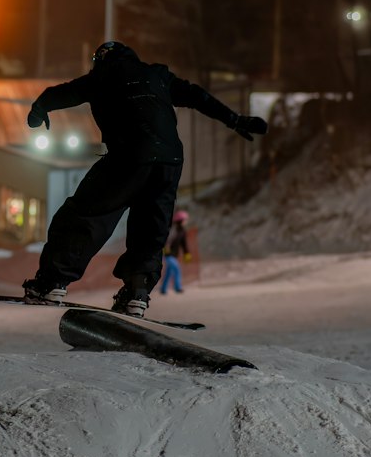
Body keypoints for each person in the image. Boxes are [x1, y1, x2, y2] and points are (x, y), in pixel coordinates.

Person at [22, 42, 267, 317]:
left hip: (129, 155)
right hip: (170, 161)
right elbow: (198, 96)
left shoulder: (104, 75)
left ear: (101, 60)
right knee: (150, 229)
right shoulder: (158, 76)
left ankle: (51, 283)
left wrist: (40, 107)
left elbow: (65, 93)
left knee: (85, 216)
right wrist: (235, 120)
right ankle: (136, 293)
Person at [160, 209, 190, 295]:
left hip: (174, 254)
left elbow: (184, 244)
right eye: (185, 220)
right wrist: (166, 249)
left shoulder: (183, 231)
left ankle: (163, 289)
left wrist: (186, 253)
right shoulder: (173, 229)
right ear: (180, 220)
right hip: (168, 254)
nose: (186, 221)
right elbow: (167, 240)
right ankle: (178, 287)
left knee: (169, 272)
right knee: (177, 269)